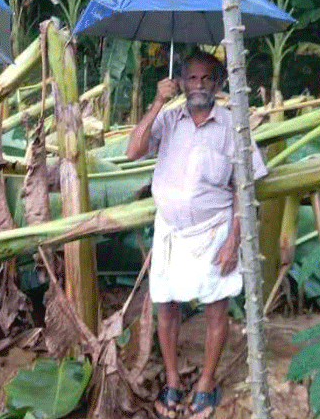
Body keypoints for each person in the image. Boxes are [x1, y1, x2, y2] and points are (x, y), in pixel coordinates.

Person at [126, 51, 267, 419]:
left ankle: (205, 382)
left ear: (218, 83)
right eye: (191, 78)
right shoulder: (169, 118)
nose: (199, 85)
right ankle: (172, 379)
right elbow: (133, 150)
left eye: (206, 79)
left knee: (216, 307)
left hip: (215, 229)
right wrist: (157, 101)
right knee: (166, 304)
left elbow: (244, 187)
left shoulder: (234, 126)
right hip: (171, 230)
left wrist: (233, 241)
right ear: (182, 82)